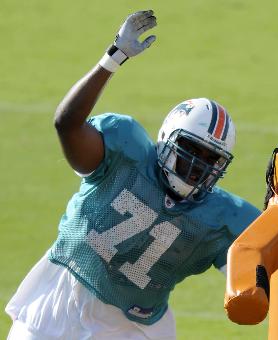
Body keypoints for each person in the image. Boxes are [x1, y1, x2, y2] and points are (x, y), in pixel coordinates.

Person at [5, 10, 260, 340]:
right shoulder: (124, 150)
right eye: (191, 151)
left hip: (130, 329)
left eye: (210, 159)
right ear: (167, 138)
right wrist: (112, 59)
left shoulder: (223, 215)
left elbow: (277, 257)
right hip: (59, 300)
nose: (197, 166)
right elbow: (67, 125)